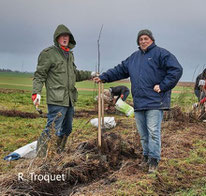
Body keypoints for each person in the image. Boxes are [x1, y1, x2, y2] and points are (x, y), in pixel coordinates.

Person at [95, 29, 183, 173]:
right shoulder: (133, 58)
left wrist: (163, 86)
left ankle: (154, 161)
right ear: (138, 42)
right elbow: (119, 70)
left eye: (146, 38)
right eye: (140, 39)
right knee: (143, 134)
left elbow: (176, 69)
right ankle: (146, 157)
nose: (143, 41)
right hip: (139, 102)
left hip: (155, 101)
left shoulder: (161, 54)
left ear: (152, 40)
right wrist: (104, 77)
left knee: (153, 131)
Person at [32, 24, 96, 156]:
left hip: (69, 99)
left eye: (67, 36)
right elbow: (39, 75)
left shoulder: (69, 55)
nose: (64, 38)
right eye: (62, 36)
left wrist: (91, 74)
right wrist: (36, 92)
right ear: (57, 38)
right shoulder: (48, 54)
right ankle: (40, 157)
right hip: (56, 99)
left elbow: (74, 74)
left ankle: (57, 152)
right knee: (52, 128)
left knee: (67, 129)